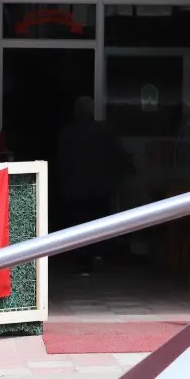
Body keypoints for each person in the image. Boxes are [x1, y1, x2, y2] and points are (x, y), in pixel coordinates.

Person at [53, 96, 127, 274]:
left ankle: (83, 262)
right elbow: (118, 158)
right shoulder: (105, 132)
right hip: (100, 189)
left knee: (79, 226)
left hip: (75, 190)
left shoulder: (67, 134)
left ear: (76, 112)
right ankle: (98, 255)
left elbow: (61, 164)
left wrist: (62, 187)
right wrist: (113, 183)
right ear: (92, 110)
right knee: (100, 223)